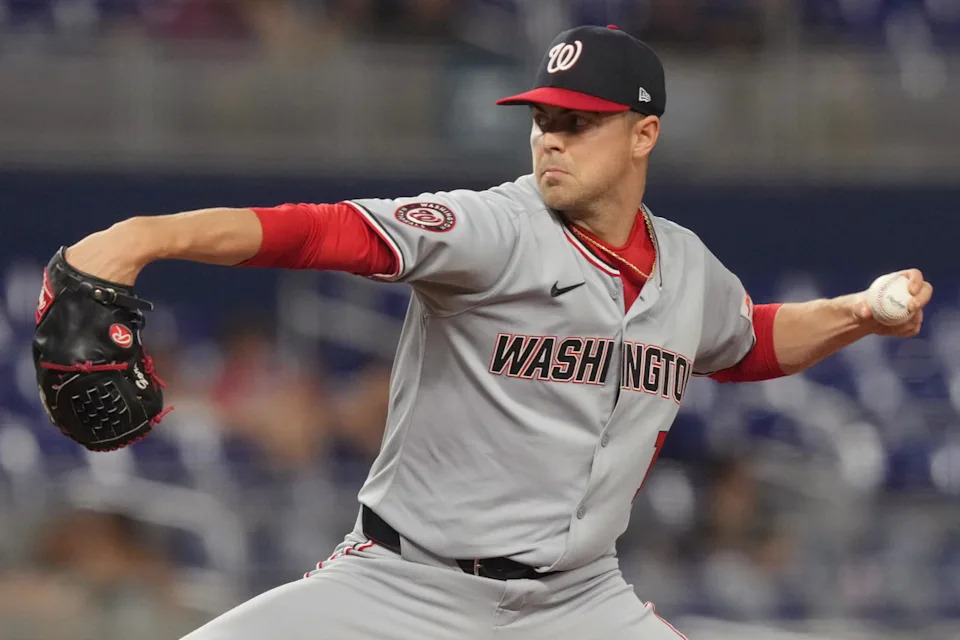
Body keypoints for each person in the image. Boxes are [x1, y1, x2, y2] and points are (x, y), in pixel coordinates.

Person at [61, 24, 932, 640]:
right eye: (543, 119)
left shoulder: (690, 268)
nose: (550, 139)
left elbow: (746, 342)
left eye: (578, 122)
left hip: (581, 604)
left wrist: (857, 313)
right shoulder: (490, 229)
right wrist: (147, 235)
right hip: (404, 586)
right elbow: (322, 231)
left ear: (644, 134)